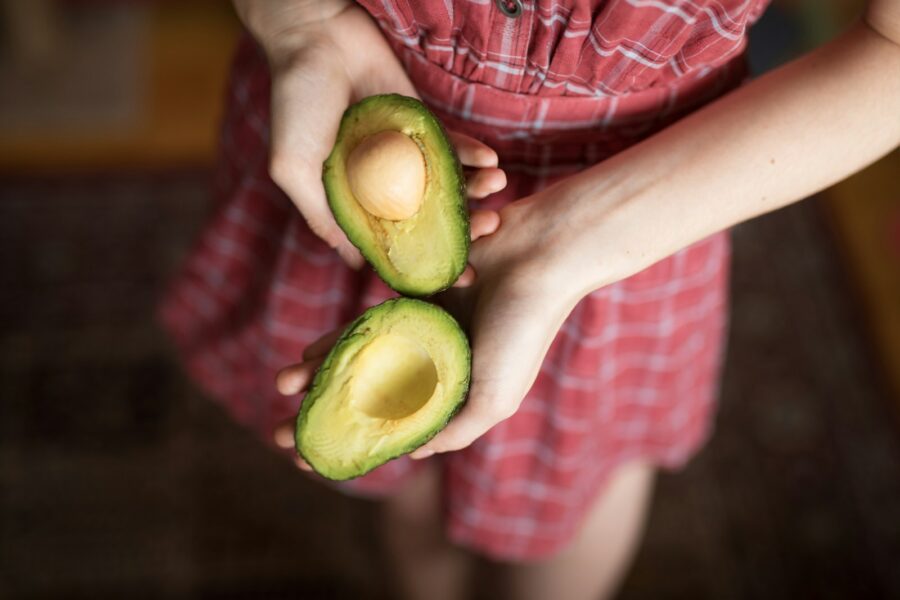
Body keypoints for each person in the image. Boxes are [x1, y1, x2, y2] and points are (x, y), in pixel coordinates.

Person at [160, 1, 900, 598]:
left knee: (574, 501)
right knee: (409, 503)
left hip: (647, 204)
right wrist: (301, 21)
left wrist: (569, 244)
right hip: (347, 107)